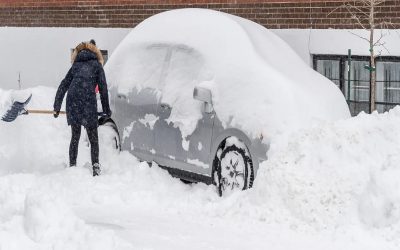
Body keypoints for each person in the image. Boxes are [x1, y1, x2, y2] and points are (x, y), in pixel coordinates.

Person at [53, 39, 111, 176]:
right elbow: (103, 89)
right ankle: (96, 167)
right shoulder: (97, 66)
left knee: (75, 136)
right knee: (93, 138)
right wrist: (106, 110)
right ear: (95, 51)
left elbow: (63, 85)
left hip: (73, 101)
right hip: (87, 102)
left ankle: (72, 166)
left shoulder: (75, 66)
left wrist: (57, 106)